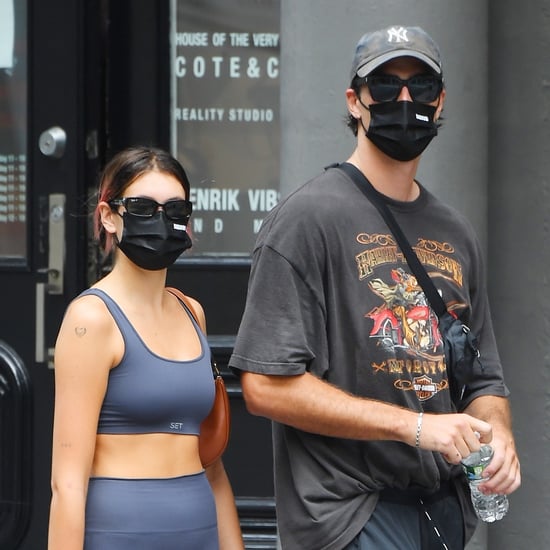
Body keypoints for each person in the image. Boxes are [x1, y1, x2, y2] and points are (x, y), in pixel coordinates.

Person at [229, 25, 521, 550]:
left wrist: (498, 435)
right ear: (355, 102)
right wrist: (414, 427)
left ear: (440, 101)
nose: (404, 100)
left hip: (442, 512)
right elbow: (265, 385)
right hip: (350, 517)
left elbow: (484, 382)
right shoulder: (306, 219)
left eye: (421, 87)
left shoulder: (455, 232)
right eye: (385, 86)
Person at [48, 146, 244, 550]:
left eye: (175, 210)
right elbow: (66, 483)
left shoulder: (192, 312)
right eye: (141, 207)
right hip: (119, 534)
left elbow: (212, 464)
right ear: (108, 216)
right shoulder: (91, 319)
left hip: (200, 529)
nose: (160, 220)